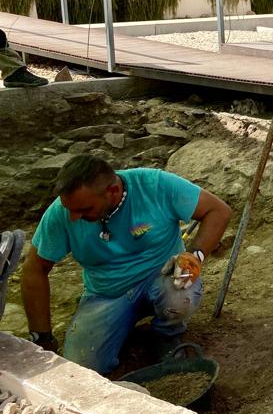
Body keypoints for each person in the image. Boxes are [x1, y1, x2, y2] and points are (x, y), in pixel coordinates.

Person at [20, 154, 232, 373]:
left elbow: (218, 210)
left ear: (112, 191)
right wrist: (41, 337)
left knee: (181, 295)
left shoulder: (155, 186)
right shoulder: (62, 213)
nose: (74, 217)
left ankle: (167, 335)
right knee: (83, 366)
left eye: (84, 210)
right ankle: (121, 326)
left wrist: (194, 256)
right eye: (70, 209)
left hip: (162, 277)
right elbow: (34, 269)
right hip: (106, 293)